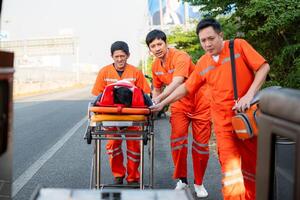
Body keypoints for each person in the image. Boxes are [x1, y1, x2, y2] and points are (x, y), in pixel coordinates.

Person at [150, 18, 270, 200]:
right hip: (223, 125)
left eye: (211, 38)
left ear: (220, 35)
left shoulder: (238, 46)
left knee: (251, 167)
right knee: (230, 172)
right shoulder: (203, 63)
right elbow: (186, 87)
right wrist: (162, 103)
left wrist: (249, 95)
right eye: (203, 40)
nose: (207, 44)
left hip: (246, 120)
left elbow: (263, 67)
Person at [146, 29, 211, 198]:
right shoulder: (155, 66)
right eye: (153, 46)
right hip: (180, 105)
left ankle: (199, 183)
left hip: (201, 103)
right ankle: (182, 180)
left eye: (160, 43)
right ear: (150, 49)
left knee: (201, 147)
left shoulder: (181, 56)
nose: (157, 48)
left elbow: (178, 81)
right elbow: (157, 88)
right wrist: (154, 101)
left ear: (166, 44)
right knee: (177, 141)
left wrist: (160, 101)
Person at [91, 41, 151, 184]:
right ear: (111, 56)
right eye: (116, 56)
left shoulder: (135, 72)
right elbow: (96, 96)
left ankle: (133, 177)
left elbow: (145, 94)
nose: (119, 59)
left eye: (122, 56)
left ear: (128, 56)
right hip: (110, 118)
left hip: (132, 118)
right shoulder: (104, 72)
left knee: (134, 148)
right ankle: (118, 174)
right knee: (112, 145)